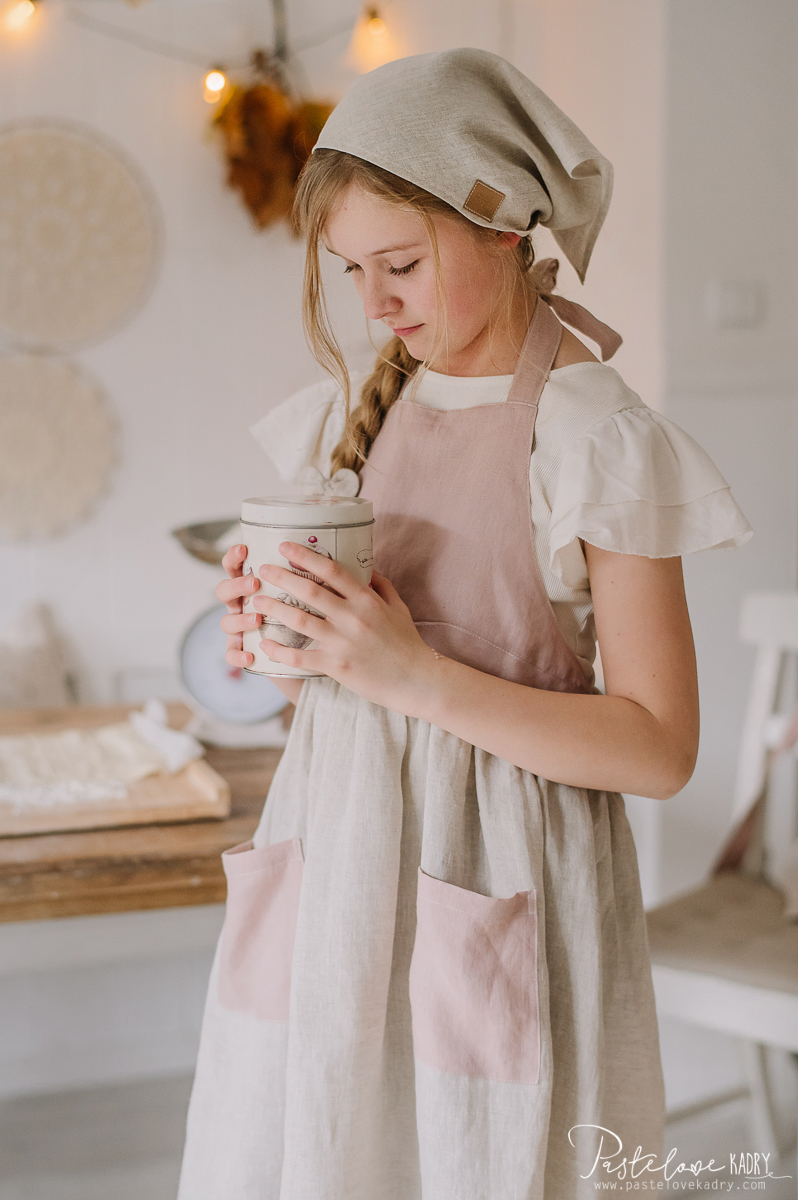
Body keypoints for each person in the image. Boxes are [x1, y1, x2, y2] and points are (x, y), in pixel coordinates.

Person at [178, 48, 752, 1200]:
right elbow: (329, 695)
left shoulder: (592, 437)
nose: (375, 304)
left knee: (475, 1154)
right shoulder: (359, 412)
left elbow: (660, 749)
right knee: (330, 1140)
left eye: (400, 264)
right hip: (338, 869)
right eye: (351, 271)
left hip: (506, 884)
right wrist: (289, 645)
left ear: (503, 225)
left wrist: (414, 676)